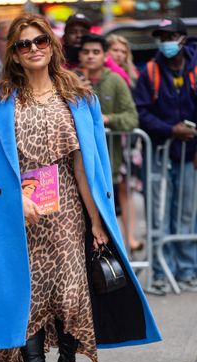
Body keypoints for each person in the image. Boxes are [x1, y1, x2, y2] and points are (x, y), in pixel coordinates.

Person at [0, 13, 161, 362]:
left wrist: (97, 222)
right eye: (23, 44)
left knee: (71, 299)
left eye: (39, 42)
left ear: (52, 45)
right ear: (12, 52)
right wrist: (1, 209)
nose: (33, 49)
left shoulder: (79, 95)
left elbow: (84, 166)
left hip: (67, 213)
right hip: (17, 218)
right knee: (27, 307)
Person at [133, 18, 197, 293]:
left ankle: (187, 269)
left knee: (186, 211)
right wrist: (171, 129)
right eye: (162, 37)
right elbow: (142, 111)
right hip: (159, 151)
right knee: (158, 213)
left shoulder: (195, 69)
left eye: (171, 36)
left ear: (182, 39)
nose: (166, 42)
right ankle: (161, 272)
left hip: (190, 154)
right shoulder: (150, 71)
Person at [75, 34, 141, 252]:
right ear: (79, 55)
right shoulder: (69, 79)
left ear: (105, 56)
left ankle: (112, 274)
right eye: (86, 52)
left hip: (107, 166)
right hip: (75, 167)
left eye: (96, 52)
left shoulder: (115, 80)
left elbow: (132, 118)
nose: (91, 56)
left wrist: (107, 120)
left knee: (106, 225)